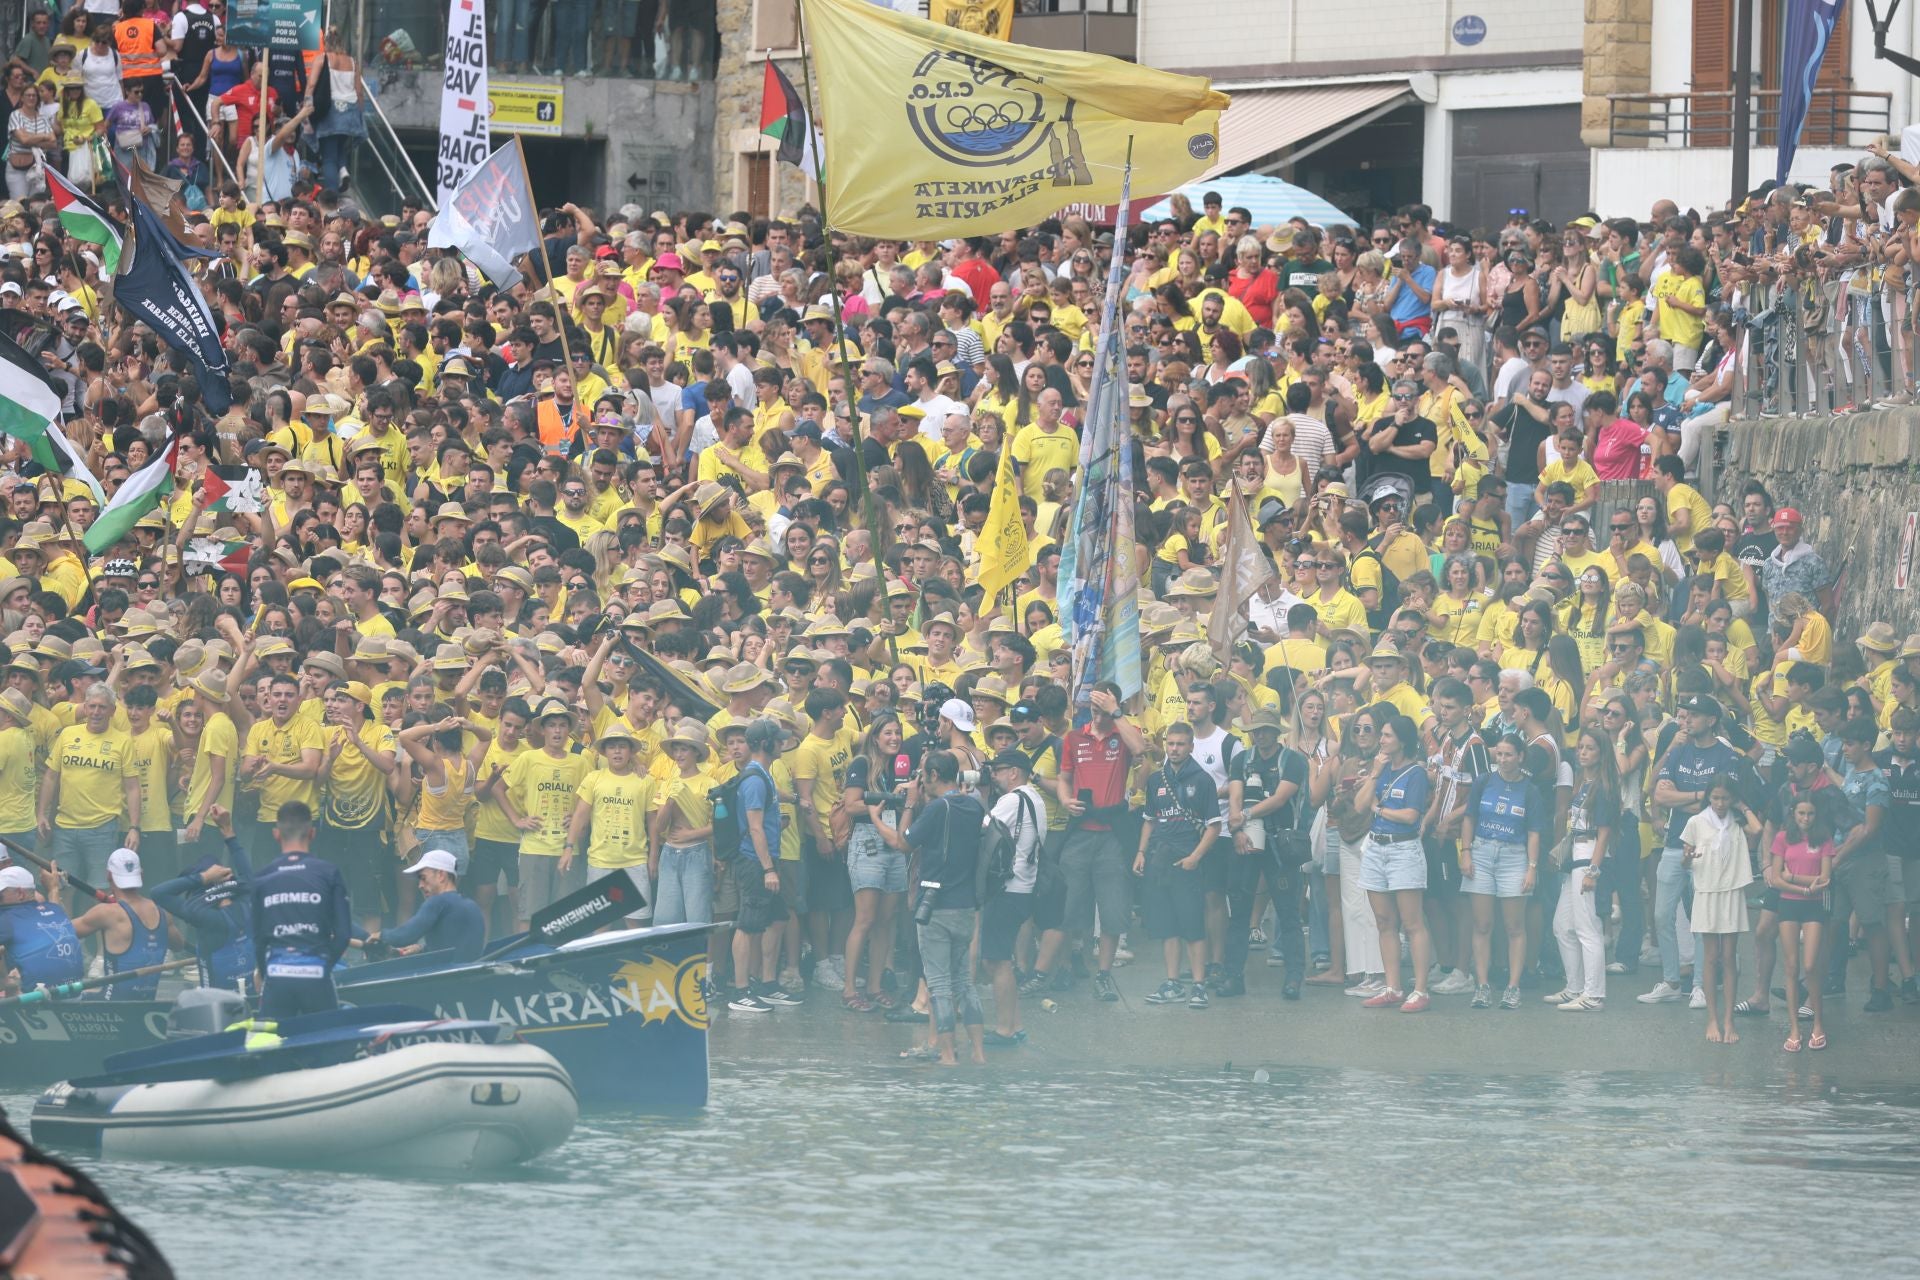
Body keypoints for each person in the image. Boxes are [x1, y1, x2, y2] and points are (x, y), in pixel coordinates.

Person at [884, 750, 985, 1067]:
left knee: (939, 984)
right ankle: (979, 1054)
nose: (919, 779)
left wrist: (908, 805)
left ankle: (947, 1054)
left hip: (936, 906)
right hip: (966, 904)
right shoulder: (973, 804)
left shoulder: (937, 808)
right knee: (964, 982)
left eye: (922, 774)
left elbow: (903, 842)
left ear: (934, 776)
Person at [1056, 681, 1147, 1002]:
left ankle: (1105, 975)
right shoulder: (1073, 737)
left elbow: (1140, 749)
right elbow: (1064, 778)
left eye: (1102, 706)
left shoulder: (1123, 733)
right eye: (1092, 706)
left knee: (1113, 909)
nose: (1096, 712)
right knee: (1067, 906)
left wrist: (1115, 712)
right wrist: (1066, 800)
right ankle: (1067, 963)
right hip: (1080, 829)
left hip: (1112, 832)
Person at [1223, 705, 1307, 999]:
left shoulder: (1293, 761)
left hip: (1280, 842)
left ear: (1276, 732)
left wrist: (1243, 817)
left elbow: (1281, 798)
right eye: (1255, 730)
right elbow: (1235, 794)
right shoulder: (1242, 760)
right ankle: (1233, 976)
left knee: (1287, 911)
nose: (1259, 735)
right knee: (1239, 910)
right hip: (1246, 839)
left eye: (1264, 730)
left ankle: (1295, 976)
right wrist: (1237, 828)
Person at [1137, 721, 1222, 1010]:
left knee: (1193, 926)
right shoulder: (1156, 780)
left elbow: (1214, 826)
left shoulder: (1202, 780)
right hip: (1160, 859)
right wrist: (1140, 852)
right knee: (1167, 926)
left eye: (1180, 744)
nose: (1174, 749)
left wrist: (1196, 857)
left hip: (1188, 860)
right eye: (1170, 744)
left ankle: (1198, 985)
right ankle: (1172, 982)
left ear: (1191, 746)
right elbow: (1150, 819)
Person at [1458, 731, 1546, 1009]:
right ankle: (1482, 985)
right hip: (1481, 852)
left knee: (1514, 926)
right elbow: (1469, 817)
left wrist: (1532, 868)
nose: (1503, 760)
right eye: (1500, 754)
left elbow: (1534, 833)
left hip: (1514, 856)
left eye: (1509, 755)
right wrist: (1466, 851)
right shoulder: (1484, 781)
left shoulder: (1531, 790)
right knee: (1482, 924)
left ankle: (1513, 986)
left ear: (1520, 757)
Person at [1354, 710, 1435, 1011]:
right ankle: (1392, 986)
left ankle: (1421, 989)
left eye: (1387, 735)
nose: (1381, 739)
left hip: (1403, 849)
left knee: (1412, 921)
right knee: (1384, 920)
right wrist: (1374, 774)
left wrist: (1381, 811)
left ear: (1401, 741)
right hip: (1376, 847)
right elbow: (1360, 805)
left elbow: (1411, 816)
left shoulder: (1415, 774)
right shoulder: (1382, 769)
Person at [249, 801, 352, 1019]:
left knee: (274, 1046)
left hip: (277, 977)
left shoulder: (262, 878)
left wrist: (266, 972)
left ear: (276, 834)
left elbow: (258, 939)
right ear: (312, 833)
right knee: (326, 1045)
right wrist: (323, 964)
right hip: (316, 975)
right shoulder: (329, 873)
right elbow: (343, 934)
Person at [1681, 774, 1759, 1044]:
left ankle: (1729, 1020)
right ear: (1708, 797)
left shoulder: (1737, 822)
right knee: (1711, 957)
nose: (1720, 803)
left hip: (1731, 892)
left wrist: (1743, 807)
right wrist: (1687, 857)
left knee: (1729, 957)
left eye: (1725, 798)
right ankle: (1712, 1019)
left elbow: (1758, 830)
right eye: (1715, 798)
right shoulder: (1696, 822)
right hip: (1706, 892)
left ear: (1732, 799)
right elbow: (1685, 862)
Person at [723, 718, 792, 1014]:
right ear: (765, 744)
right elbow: (754, 828)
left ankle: (767, 982)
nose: (782, 744)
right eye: (778, 740)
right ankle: (740, 990)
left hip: (765, 859)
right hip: (754, 862)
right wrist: (768, 869)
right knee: (748, 924)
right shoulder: (754, 779)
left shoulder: (764, 774)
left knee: (778, 918)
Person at [1548, 729, 1619, 1012]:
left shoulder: (1603, 787)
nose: (1583, 752)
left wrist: (1593, 870)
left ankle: (1594, 994)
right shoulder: (1583, 782)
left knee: (1587, 927)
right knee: (1562, 926)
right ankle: (1574, 987)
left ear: (1601, 753)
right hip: (1575, 852)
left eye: (1590, 748)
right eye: (1580, 747)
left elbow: (1604, 833)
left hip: (1589, 854)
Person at [150, 803, 256, 992]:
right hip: (252, 997)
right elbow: (246, 870)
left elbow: (158, 893)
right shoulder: (247, 897)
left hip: (217, 1007)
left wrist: (203, 877)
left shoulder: (202, 914)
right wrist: (227, 830)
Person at [981, 749, 1045, 1045]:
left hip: (1007, 890)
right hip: (1025, 889)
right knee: (998, 959)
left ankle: (1005, 1029)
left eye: (998, 770)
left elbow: (982, 830)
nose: (993, 775)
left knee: (997, 961)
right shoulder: (1035, 798)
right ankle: (1015, 1024)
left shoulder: (1011, 800)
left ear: (1014, 772)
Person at [62, 847, 181, 999]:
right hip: (145, 1002)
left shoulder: (107, 913)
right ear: (141, 875)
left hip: (111, 1005)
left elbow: (60, 934)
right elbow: (179, 945)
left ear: (109, 875)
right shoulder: (162, 912)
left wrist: (54, 891)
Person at [366, 848, 486, 962]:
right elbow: (454, 947)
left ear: (441, 875)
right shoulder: (472, 906)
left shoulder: (437, 902)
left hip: (445, 977)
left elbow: (404, 936)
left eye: (423, 878)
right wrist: (421, 949)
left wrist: (379, 935)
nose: (420, 885)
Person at [0, 862, 82, 996]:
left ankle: (8, 987)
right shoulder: (55, 910)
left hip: (35, 1000)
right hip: (73, 993)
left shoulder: (7, 918)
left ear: (20, 894)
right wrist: (53, 888)